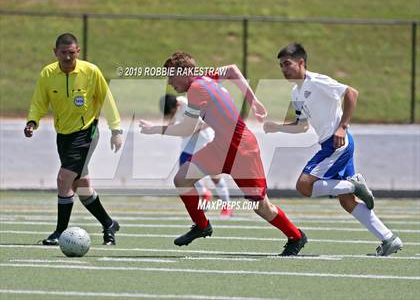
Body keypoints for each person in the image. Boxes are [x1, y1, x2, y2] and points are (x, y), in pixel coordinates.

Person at [140, 51, 307, 256]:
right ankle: (202, 226)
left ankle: (296, 237)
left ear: (184, 72)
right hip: (221, 146)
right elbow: (232, 69)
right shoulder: (205, 77)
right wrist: (253, 100)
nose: (169, 82)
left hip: (242, 150)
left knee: (261, 206)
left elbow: (187, 129)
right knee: (182, 179)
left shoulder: (197, 88)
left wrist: (155, 129)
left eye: (171, 76)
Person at [263, 42, 403, 256]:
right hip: (332, 144)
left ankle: (352, 185)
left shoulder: (317, 81)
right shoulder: (295, 92)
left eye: (287, 64)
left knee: (304, 186)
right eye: (281, 65)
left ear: (301, 62)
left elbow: (352, 93)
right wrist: (276, 127)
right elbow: (302, 126)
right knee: (347, 203)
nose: (283, 69)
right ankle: (389, 238)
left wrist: (342, 126)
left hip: (337, 143)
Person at [24, 33, 123, 246]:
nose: (68, 57)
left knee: (63, 179)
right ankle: (108, 224)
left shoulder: (91, 72)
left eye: (71, 53)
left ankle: (60, 231)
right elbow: (39, 101)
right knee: (82, 187)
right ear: (55, 52)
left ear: (78, 52)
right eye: (63, 53)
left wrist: (116, 130)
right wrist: (32, 121)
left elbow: (107, 100)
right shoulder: (48, 74)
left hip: (86, 133)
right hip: (63, 135)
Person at [160, 93, 233, 218]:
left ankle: (227, 206)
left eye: (172, 112)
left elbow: (209, 120)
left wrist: (194, 130)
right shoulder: (174, 107)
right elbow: (172, 123)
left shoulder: (190, 106)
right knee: (183, 172)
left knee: (214, 176)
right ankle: (204, 193)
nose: (171, 114)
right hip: (189, 143)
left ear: (177, 105)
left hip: (205, 140)